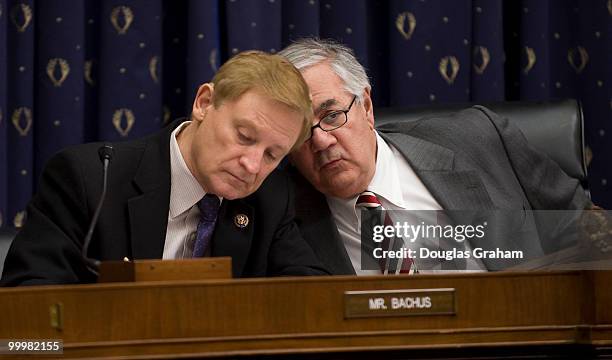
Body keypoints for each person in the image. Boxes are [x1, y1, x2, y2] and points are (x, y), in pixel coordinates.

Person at [1, 51, 328, 286]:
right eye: (243, 136)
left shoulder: (270, 198)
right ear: (203, 104)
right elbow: (29, 311)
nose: (252, 165)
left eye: (272, 155)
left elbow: (309, 296)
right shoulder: (89, 179)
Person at [278, 39, 595, 275]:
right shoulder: (280, 217)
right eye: (301, 129)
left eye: (332, 115)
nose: (320, 140)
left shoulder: (480, 138)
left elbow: (585, 227)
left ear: (366, 107)